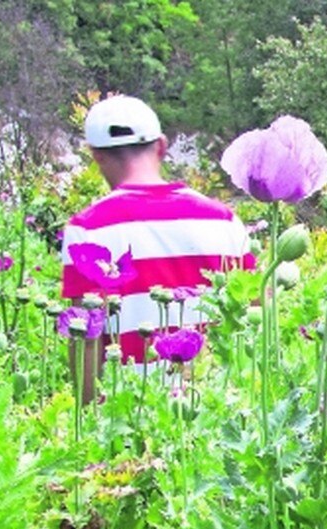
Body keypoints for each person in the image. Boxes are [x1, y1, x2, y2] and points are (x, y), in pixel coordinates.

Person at [60, 95, 252, 397]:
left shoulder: (86, 229)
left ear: (97, 156)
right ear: (161, 146)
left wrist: (88, 414)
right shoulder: (223, 220)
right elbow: (252, 321)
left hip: (131, 406)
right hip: (215, 402)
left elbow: (85, 338)